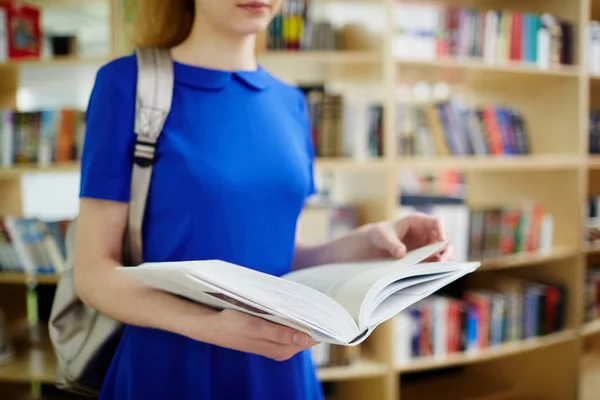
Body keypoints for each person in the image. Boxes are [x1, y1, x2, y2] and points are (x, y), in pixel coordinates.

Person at [72, 0, 452, 399]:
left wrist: (367, 241)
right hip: (170, 364)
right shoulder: (127, 84)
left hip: (280, 367)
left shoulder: (291, 103)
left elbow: (280, 257)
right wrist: (210, 325)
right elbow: (93, 271)